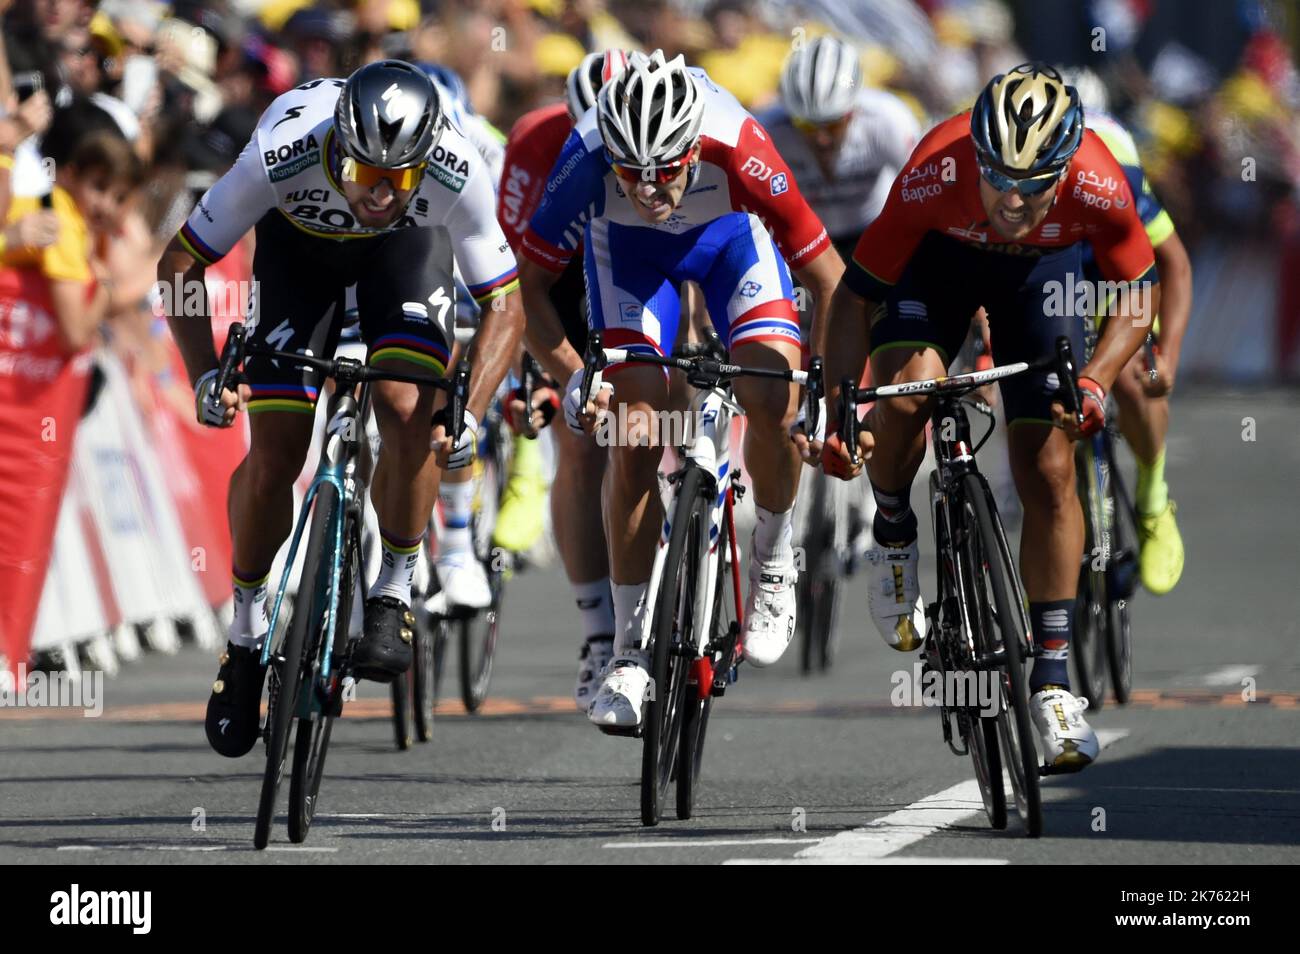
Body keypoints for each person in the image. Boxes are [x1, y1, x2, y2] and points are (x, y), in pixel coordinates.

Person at [156, 60, 524, 758]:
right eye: (365, 176)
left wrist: (470, 410)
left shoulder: (452, 165)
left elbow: (505, 303)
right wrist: (205, 373)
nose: (380, 195)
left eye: (399, 181)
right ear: (338, 149)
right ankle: (245, 635)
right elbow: (180, 263)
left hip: (404, 259)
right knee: (275, 456)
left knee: (407, 403)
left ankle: (392, 589)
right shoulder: (280, 153)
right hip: (299, 260)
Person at [822, 64, 1159, 772]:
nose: (1011, 198)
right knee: (908, 394)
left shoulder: (1100, 182)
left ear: (1065, 168)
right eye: (997, 176)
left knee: (1049, 466)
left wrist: (1097, 381)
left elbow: (1137, 290)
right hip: (935, 268)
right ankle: (892, 533)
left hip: (1043, 279)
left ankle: (1055, 683)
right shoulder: (931, 173)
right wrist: (839, 407)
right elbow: (853, 298)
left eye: (1033, 185)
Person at [517, 50, 844, 730]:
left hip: (730, 246)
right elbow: (530, 287)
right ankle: (631, 652)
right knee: (634, 432)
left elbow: (829, 278)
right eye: (631, 173)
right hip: (633, 262)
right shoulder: (586, 151)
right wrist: (575, 375)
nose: (649, 190)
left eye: (666, 170)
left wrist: (830, 395)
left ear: (694, 147)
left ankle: (773, 559)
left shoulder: (740, 140)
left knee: (771, 396)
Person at [497, 48, 628, 710]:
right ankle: (598, 633)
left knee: (654, 419)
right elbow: (516, 280)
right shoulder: (536, 141)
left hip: (637, 264)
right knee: (579, 443)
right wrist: (545, 375)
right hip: (560, 281)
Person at [1063, 67, 1189, 595]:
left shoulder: (1117, 171)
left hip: (1121, 279)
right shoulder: (1019, 177)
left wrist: (1170, 358)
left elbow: (1174, 265)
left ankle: (1153, 499)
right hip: (1059, 275)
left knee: (1138, 376)